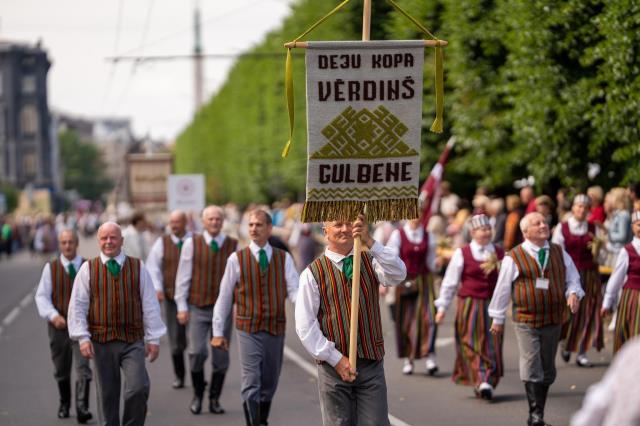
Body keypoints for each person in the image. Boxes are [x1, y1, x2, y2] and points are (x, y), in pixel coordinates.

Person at [295, 215, 406, 426]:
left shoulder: (370, 260)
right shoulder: (312, 273)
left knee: (376, 423)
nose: (345, 229)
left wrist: (370, 241)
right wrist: (335, 359)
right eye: (337, 224)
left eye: (349, 223)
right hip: (332, 367)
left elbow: (398, 273)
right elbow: (305, 326)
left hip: (370, 362)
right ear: (325, 231)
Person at [488, 212, 583, 426]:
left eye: (544, 222)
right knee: (532, 364)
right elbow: (502, 289)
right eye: (537, 223)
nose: (543, 225)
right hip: (526, 320)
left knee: (548, 368)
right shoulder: (514, 256)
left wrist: (574, 293)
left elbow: (573, 278)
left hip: (554, 318)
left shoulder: (559, 252)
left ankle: (538, 413)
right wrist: (497, 318)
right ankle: (536, 416)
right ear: (525, 232)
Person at [67, 222, 166, 426]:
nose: (109, 242)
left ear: (122, 240)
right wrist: (83, 337)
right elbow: (78, 305)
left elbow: (149, 303)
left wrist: (153, 338)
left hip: (133, 339)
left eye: (113, 237)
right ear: (98, 241)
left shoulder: (138, 267)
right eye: (104, 238)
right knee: (107, 394)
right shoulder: (88, 269)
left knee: (138, 388)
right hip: (102, 341)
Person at [211, 210, 299, 425]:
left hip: (275, 327)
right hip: (247, 327)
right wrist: (217, 331)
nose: (254, 229)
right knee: (251, 382)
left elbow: (296, 291)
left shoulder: (283, 258)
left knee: (269, 382)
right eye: (250, 225)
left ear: (269, 229)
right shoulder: (236, 259)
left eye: (259, 225)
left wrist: (309, 315)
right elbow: (224, 297)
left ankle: (262, 420)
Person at [174, 205, 238, 415]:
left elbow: (239, 280)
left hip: (224, 310)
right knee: (196, 352)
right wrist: (181, 306)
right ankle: (198, 394)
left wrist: (238, 305)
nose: (214, 222)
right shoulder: (192, 244)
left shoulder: (233, 245)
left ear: (222, 221)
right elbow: (183, 277)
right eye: (210, 219)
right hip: (198, 306)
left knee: (221, 357)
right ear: (203, 222)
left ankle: (214, 399)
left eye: (218, 219)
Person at [435, 214, 504, 400]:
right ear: (473, 232)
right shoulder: (462, 253)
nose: (487, 232)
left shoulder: (499, 253)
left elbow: (506, 282)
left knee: (492, 343)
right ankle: (481, 379)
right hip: (469, 304)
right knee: (470, 341)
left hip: (492, 304)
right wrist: (442, 307)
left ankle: (486, 379)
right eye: (482, 229)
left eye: (488, 229)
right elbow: (450, 283)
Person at [34, 229, 93, 423]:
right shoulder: (51, 268)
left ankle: (82, 407)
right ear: (60, 245)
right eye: (64, 242)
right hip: (58, 328)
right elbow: (42, 296)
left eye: (70, 242)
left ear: (77, 243)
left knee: (83, 367)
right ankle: (64, 403)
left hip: (83, 328)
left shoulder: (88, 266)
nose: (67, 246)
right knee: (61, 369)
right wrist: (52, 315)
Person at [551, 194, 604, 367]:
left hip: (589, 274)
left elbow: (602, 255)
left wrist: (599, 250)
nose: (581, 210)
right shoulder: (563, 227)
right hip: (568, 273)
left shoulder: (593, 228)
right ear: (573, 208)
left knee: (588, 312)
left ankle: (582, 352)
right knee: (567, 312)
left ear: (589, 210)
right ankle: (565, 342)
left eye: (585, 207)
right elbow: (556, 251)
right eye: (578, 206)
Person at [386, 218, 439, 375]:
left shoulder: (429, 236)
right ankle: (408, 359)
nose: (415, 218)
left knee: (430, 317)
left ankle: (430, 355)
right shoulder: (398, 235)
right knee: (406, 320)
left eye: (418, 214)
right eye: (412, 215)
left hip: (424, 280)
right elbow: (392, 258)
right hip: (405, 280)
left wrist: (438, 264)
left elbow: (431, 262)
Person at [145, 210, 191, 389]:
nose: (174, 225)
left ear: (185, 223)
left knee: (195, 341)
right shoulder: (162, 243)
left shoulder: (194, 240)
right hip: (172, 297)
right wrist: (157, 288)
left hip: (193, 298)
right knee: (176, 340)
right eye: (172, 222)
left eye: (177, 222)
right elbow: (153, 266)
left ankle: (197, 373)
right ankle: (179, 375)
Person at [570, 336, 640, 426]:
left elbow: (599, 403)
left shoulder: (633, 350)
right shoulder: (634, 352)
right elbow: (600, 402)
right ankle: (576, 349)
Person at [601, 211, 640, 353]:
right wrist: (607, 302)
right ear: (632, 227)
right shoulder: (627, 251)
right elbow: (616, 277)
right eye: (638, 225)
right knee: (632, 333)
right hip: (632, 297)